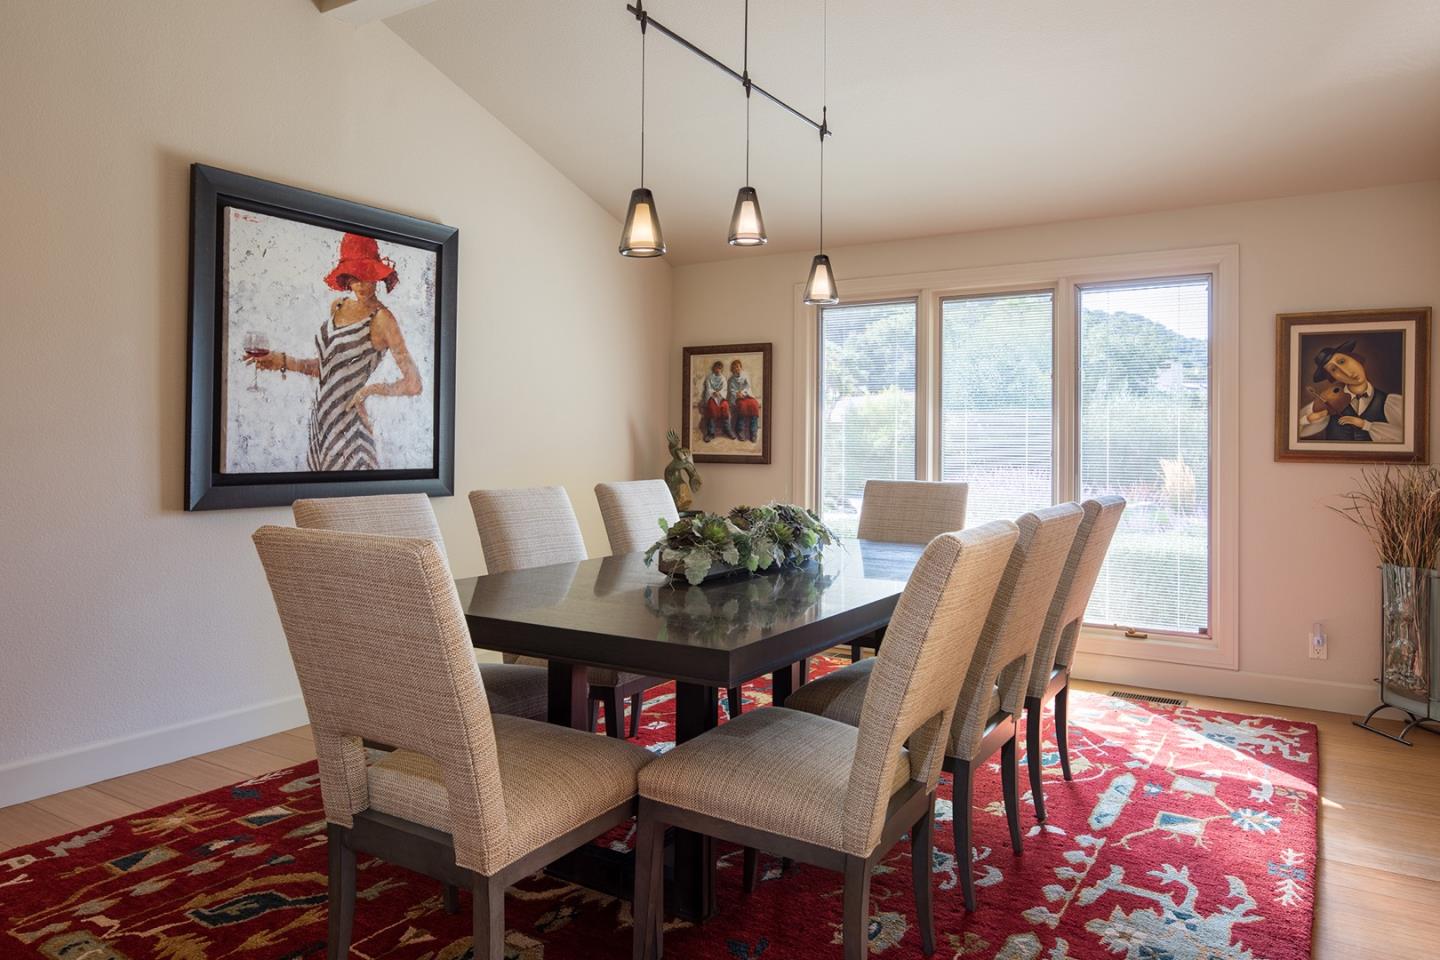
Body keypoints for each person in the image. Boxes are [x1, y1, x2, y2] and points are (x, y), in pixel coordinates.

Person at [246, 233, 423, 469]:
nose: (360, 284)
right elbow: (329, 368)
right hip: (321, 425)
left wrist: (368, 390)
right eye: (354, 276)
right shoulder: (338, 306)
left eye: (367, 275)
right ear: (346, 277)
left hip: (350, 431)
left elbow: (414, 384)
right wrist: (282, 361)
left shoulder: (383, 319)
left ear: (376, 276)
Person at [1297, 339, 1403, 443]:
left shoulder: (1390, 402)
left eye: (1342, 361)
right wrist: (1307, 419)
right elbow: (1293, 433)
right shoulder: (1328, 403)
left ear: (1356, 358)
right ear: (1333, 377)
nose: (1346, 373)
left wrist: (1366, 425)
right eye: (1334, 369)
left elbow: (1404, 438)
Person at [727, 358, 761, 442]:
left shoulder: (745, 375)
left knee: (754, 405)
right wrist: (737, 394)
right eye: (734, 367)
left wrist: (743, 392)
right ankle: (740, 430)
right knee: (742, 407)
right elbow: (731, 390)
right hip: (738, 398)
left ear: (741, 367)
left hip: (747, 395)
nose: (737, 369)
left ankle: (753, 432)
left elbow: (748, 386)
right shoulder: (731, 380)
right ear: (732, 369)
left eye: (738, 367)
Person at [699, 360, 731, 441]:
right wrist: (713, 393)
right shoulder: (709, 378)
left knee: (725, 406)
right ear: (714, 368)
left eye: (719, 368)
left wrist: (719, 393)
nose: (718, 370)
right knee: (711, 408)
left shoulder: (723, 378)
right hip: (712, 397)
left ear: (721, 369)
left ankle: (727, 429)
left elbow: (724, 389)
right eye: (716, 368)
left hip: (720, 397)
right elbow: (708, 389)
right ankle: (711, 432)